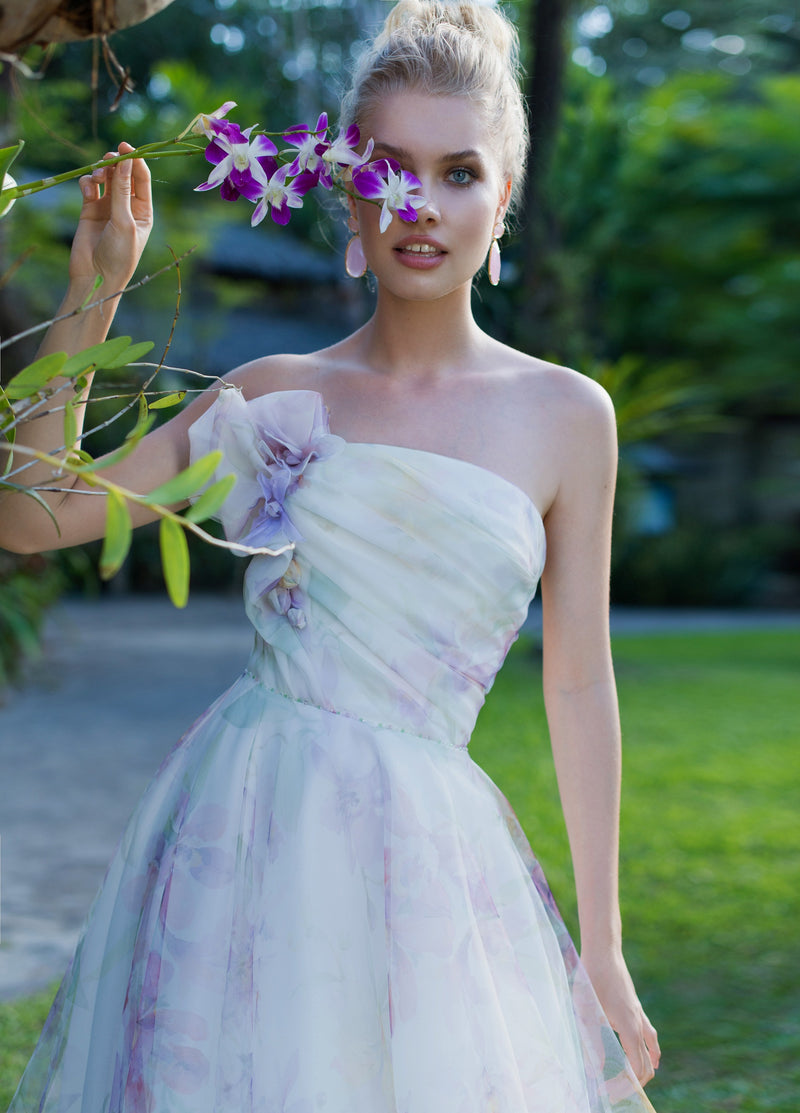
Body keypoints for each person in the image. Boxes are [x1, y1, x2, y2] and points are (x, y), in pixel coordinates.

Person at [2, 2, 661, 1109]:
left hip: (427, 850)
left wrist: (601, 945)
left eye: (458, 172)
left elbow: (578, 678)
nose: (419, 202)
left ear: (502, 199)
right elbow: (29, 514)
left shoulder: (565, 415)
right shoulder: (271, 397)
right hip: (242, 830)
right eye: (387, 167)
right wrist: (95, 294)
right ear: (344, 190)